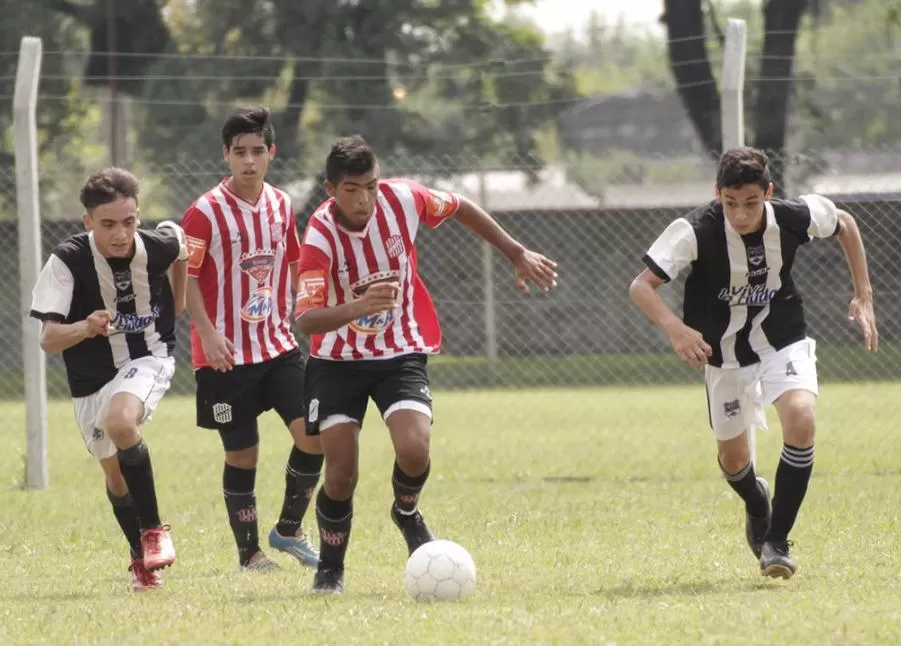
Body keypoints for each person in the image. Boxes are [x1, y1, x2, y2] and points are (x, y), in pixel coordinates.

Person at [295, 135, 559, 594]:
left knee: (415, 450)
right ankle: (331, 569)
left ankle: (406, 510)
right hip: (336, 360)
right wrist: (358, 307)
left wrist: (514, 251)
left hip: (399, 349)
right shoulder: (319, 235)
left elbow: (460, 206)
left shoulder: (403, 198)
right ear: (330, 189)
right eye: (353, 189)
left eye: (372, 186)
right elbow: (306, 319)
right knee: (341, 472)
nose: (365, 199)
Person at [629, 147, 878, 579]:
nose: (740, 215)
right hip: (723, 357)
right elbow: (641, 286)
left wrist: (864, 295)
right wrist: (676, 328)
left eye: (750, 203)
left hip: (782, 338)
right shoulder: (694, 230)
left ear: (768, 192)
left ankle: (776, 544)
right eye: (730, 203)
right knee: (732, 459)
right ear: (717, 194)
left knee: (800, 417)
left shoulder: (792, 217)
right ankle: (756, 502)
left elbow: (846, 223)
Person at [29, 167, 188, 591]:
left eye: (130, 221)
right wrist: (86, 326)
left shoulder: (155, 245)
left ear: (139, 216)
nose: (121, 234)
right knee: (115, 478)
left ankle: (154, 531)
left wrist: (181, 300)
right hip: (88, 379)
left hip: (148, 356)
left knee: (121, 422)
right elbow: (48, 339)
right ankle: (141, 560)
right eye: (108, 224)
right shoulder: (67, 260)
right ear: (88, 222)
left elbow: (181, 246)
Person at [181, 107, 323, 571]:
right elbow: (186, 279)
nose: (248, 160)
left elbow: (297, 264)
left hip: (278, 347)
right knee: (243, 454)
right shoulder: (203, 214)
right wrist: (207, 333)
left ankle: (286, 530)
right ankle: (249, 555)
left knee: (314, 437)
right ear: (225, 154)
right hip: (224, 357)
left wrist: (309, 305)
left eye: (257, 151)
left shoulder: (282, 205)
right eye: (239, 152)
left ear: (271, 154)